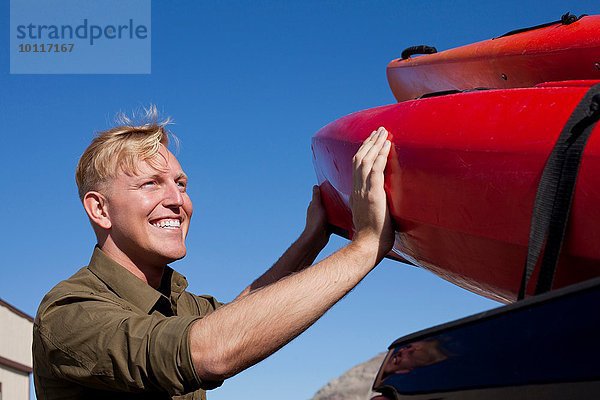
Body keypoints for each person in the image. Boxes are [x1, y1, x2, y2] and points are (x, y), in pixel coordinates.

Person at [33, 109, 394, 400]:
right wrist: (364, 248)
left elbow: (244, 317)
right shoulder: (69, 313)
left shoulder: (180, 303)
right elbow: (208, 352)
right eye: (150, 184)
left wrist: (312, 239)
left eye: (180, 184)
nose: (177, 200)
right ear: (100, 209)